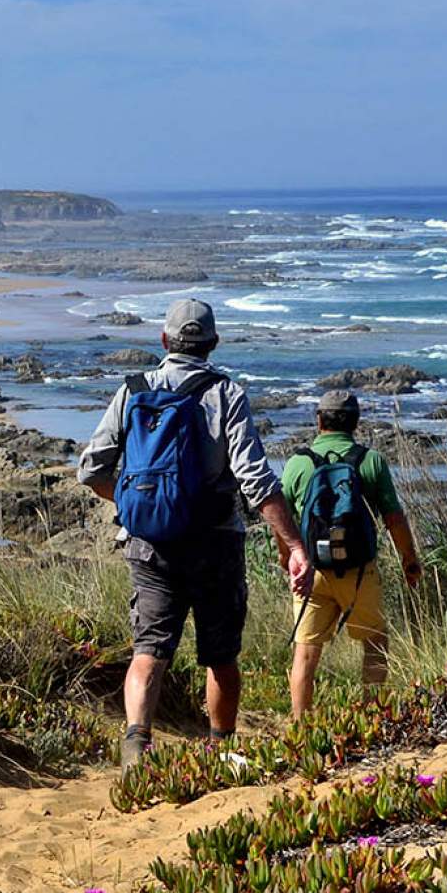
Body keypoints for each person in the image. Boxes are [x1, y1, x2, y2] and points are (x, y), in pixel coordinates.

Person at [76, 298, 312, 771]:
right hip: (215, 542)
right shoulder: (226, 394)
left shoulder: (132, 390)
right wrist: (295, 545)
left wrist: (135, 507)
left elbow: (90, 469)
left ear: (164, 341)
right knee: (220, 657)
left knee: (149, 652)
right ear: (213, 343)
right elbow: (256, 479)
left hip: (149, 544)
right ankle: (219, 750)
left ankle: (135, 750)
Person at [278, 389, 424, 719]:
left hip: (311, 571)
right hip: (359, 571)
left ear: (318, 420)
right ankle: (370, 719)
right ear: (356, 422)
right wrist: (409, 559)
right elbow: (393, 518)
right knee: (374, 643)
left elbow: (280, 519)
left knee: (305, 653)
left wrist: (287, 557)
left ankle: (301, 727)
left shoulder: (298, 463)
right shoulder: (369, 461)